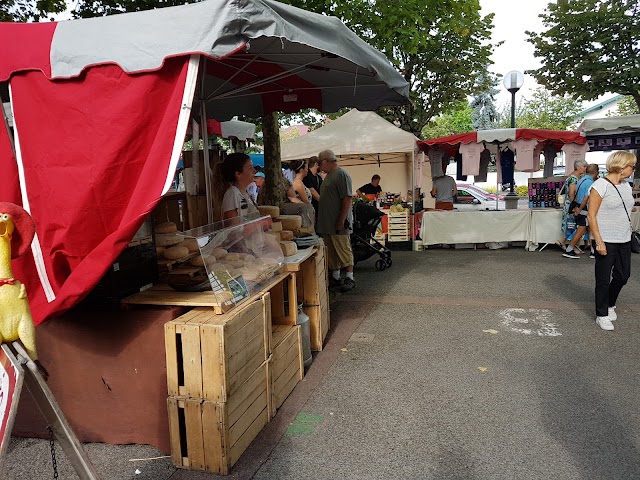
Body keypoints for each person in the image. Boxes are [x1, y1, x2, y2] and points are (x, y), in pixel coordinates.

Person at [587, 151, 637, 331]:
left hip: (624, 237)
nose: (633, 169)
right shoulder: (600, 186)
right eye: (632, 166)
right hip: (606, 239)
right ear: (622, 166)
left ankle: (610, 303)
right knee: (602, 279)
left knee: (623, 276)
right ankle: (602, 314)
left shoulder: (626, 186)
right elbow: (591, 216)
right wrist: (598, 241)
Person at [317, 149, 355, 292]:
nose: (319, 166)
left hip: (337, 222)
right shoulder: (329, 176)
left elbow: (347, 198)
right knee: (332, 250)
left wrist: (341, 219)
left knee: (343, 248)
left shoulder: (341, 174)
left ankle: (350, 277)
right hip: (328, 223)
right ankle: (336, 276)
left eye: (320, 163)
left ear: (326, 161)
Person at [562, 164, 599, 259]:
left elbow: (573, 194)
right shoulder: (590, 183)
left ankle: (592, 251)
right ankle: (570, 249)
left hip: (579, 207)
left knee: (587, 229)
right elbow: (586, 198)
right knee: (582, 230)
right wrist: (580, 209)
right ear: (596, 172)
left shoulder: (581, 180)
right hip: (584, 209)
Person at [557, 159, 587, 251]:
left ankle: (566, 244)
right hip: (571, 205)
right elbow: (571, 193)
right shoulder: (574, 178)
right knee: (572, 224)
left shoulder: (572, 177)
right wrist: (574, 206)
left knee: (572, 224)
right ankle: (566, 244)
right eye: (584, 166)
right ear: (577, 167)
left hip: (569, 204)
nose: (585, 169)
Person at [220, 152, 258, 221]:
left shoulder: (245, 193)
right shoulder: (232, 193)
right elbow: (233, 229)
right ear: (238, 174)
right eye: (250, 168)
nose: (254, 171)